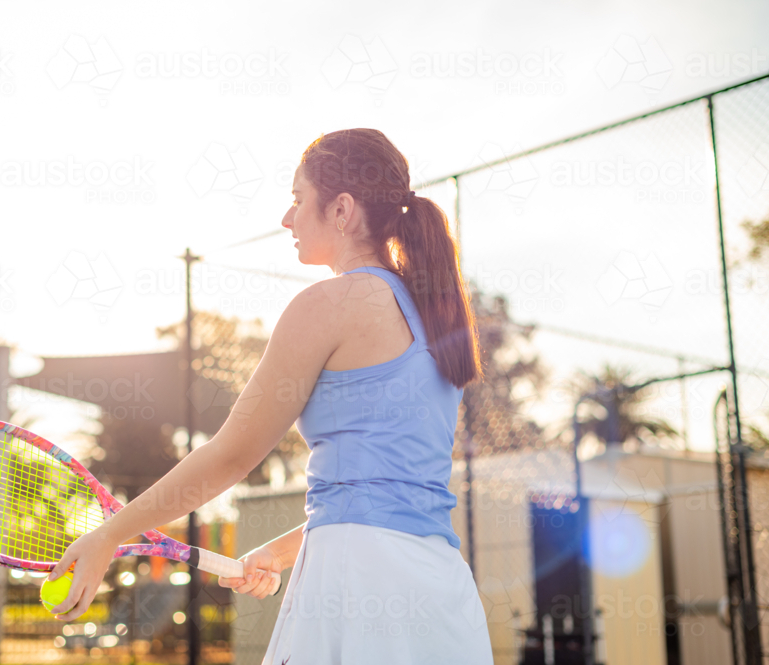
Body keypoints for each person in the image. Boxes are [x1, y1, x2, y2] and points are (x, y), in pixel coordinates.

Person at [48, 128, 494, 664]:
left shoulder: (328, 303)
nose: (287, 219)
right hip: (443, 590)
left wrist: (106, 537)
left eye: (297, 199)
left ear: (342, 210)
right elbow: (389, 500)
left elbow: (232, 454)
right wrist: (281, 554)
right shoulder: (433, 320)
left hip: (354, 585)